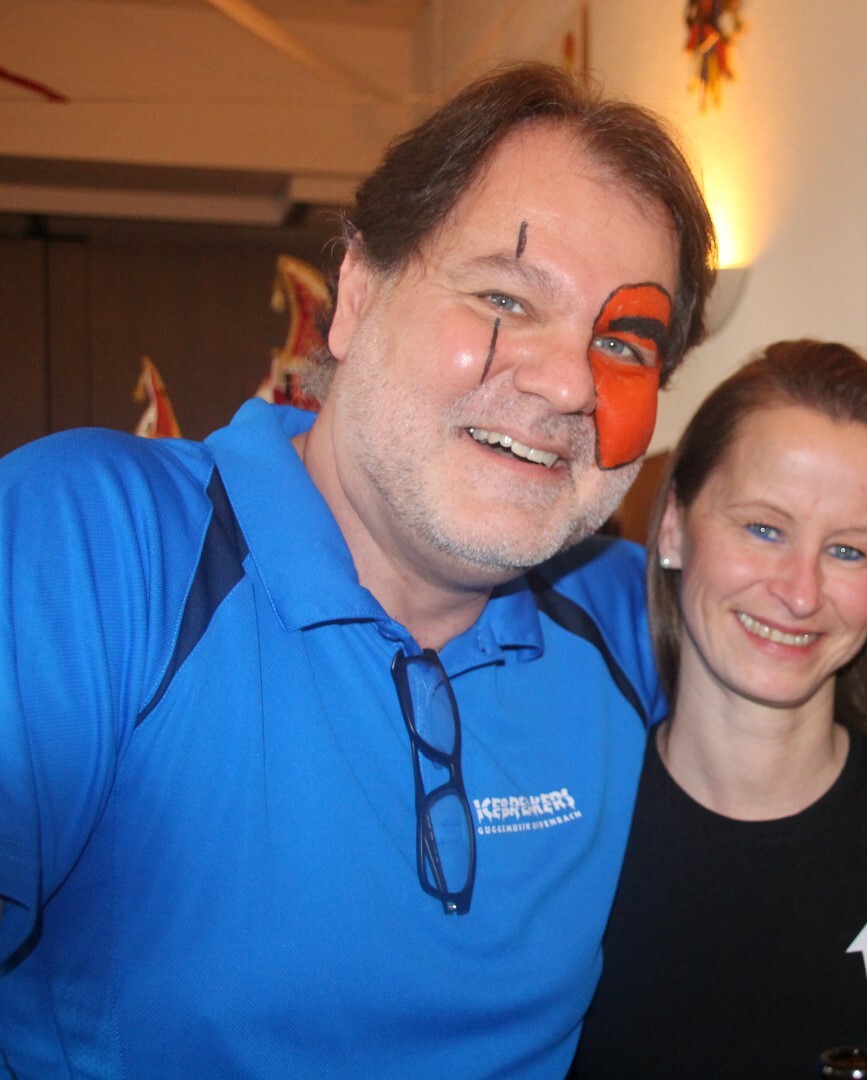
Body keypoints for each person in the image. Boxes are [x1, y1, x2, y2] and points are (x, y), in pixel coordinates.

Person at [0, 63, 715, 1077]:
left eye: (624, 344)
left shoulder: (629, 614)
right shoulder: (95, 542)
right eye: (505, 296)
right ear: (357, 295)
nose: (569, 384)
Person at [569, 341, 867, 1079]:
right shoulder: (566, 842)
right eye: (764, 529)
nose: (800, 592)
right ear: (674, 527)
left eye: (849, 551)